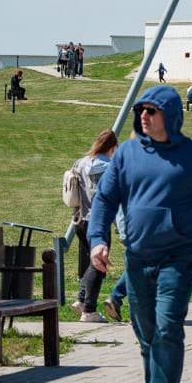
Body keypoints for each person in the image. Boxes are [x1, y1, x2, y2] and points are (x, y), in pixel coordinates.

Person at [87, 86, 192, 383]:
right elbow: (105, 200)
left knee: (167, 327)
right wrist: (97, 241)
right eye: (142, 111)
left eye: (152, 110)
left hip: (179, 256)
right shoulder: (126, 155)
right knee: (146, 333)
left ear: (171, 114)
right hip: (137, 257)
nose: (144, 116)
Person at [70, 130, 118, 322]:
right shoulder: (108, 166)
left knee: (93, 263)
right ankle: (88, 310)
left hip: (79, 219)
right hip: (97, 221)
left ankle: (81, 300)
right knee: (99, 264)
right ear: (113, 147)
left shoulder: (80, 163)